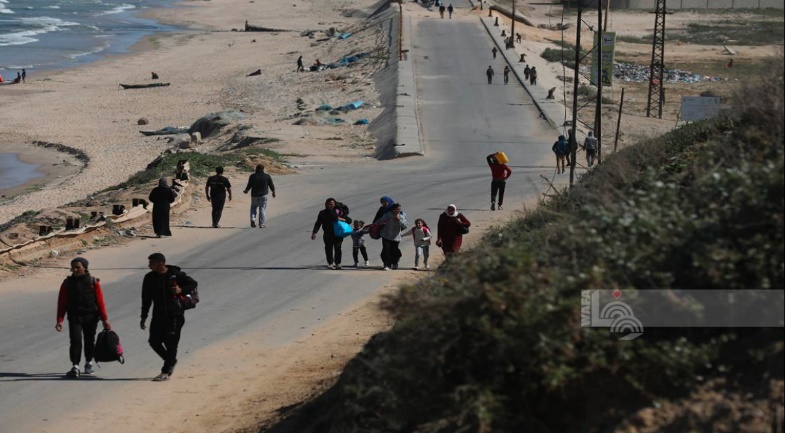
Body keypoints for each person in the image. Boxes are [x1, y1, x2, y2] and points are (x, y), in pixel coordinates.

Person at [141, 252, 198, 382]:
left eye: (151, 263)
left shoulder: (176, 275)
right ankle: (171, 360)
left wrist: (180, 290)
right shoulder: (149, 278)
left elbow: (193, 283)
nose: (149, 266)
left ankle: (165, 371)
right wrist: (144, 315)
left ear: (161, 263)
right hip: (158, 315)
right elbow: (146, 298)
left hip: (175, 315)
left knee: (171, 344)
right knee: (153, 341)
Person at [56, 257, 112, 378]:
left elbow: (100, 302)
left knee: (89, 340)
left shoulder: (93, 282)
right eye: (73, 267)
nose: (75, 270)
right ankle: (75, 366)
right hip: (74, 316)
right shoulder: (67, 283)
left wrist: (105, 319)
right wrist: (60, 320)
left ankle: (88, 363)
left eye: (78, 267)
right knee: (75, 341)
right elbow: (62, 303)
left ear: (85, 268)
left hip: (91, 316)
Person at [311, 198, 351, 269]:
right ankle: (330, 263)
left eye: (331, 204)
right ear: (326, 204)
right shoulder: (322, 213)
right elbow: (318, 223)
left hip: (338, 233)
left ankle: (338, 263)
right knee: (328, 248)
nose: (330, 205)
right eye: (328, 204)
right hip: (327, 233)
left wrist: (342, 219)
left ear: (335, 204)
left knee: (338, 248)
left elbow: (349, 220)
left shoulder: (339, 212)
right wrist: (314, 232)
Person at [375, 203, 408, 270]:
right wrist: (380, 223)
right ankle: (387, 264)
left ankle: (395, 262)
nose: (399, 210)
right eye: (397, 209)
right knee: (386, 250)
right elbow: (379, 221)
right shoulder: (387, 215)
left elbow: (405, 226)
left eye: (399, 209)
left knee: (394, 251)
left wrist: (399, 221)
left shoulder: (401, 216)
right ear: (393, 210)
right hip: (386, 235)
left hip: (396, 237)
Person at [243, 164, 276, 228]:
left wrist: (246, 190)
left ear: (256, 169)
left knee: (253, 207)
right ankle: (262, 224)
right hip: (264, 195)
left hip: (254, 195)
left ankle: (253, 219)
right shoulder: (267, 176)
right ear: (263, 169)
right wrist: (273, 192)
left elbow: (249, 185)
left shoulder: (252, 176)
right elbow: (271, 185)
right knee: (262, 209)